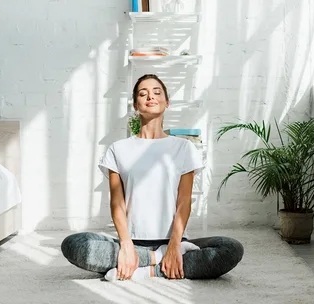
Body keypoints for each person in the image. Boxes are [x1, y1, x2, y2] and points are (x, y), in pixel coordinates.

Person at [61, 74, 244, 281]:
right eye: (143, 93)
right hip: (132, 241)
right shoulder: (118, 149)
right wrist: (127, 245)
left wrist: (174, 245)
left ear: (167, 102)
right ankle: (157, 259)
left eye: (157, 92)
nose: (150, 96)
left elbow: (184, 202)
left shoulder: (184, 148)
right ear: (136, 105)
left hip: (175, 240)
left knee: (230, 249)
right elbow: (117, 204)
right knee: (74, 244)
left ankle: (145, 268)